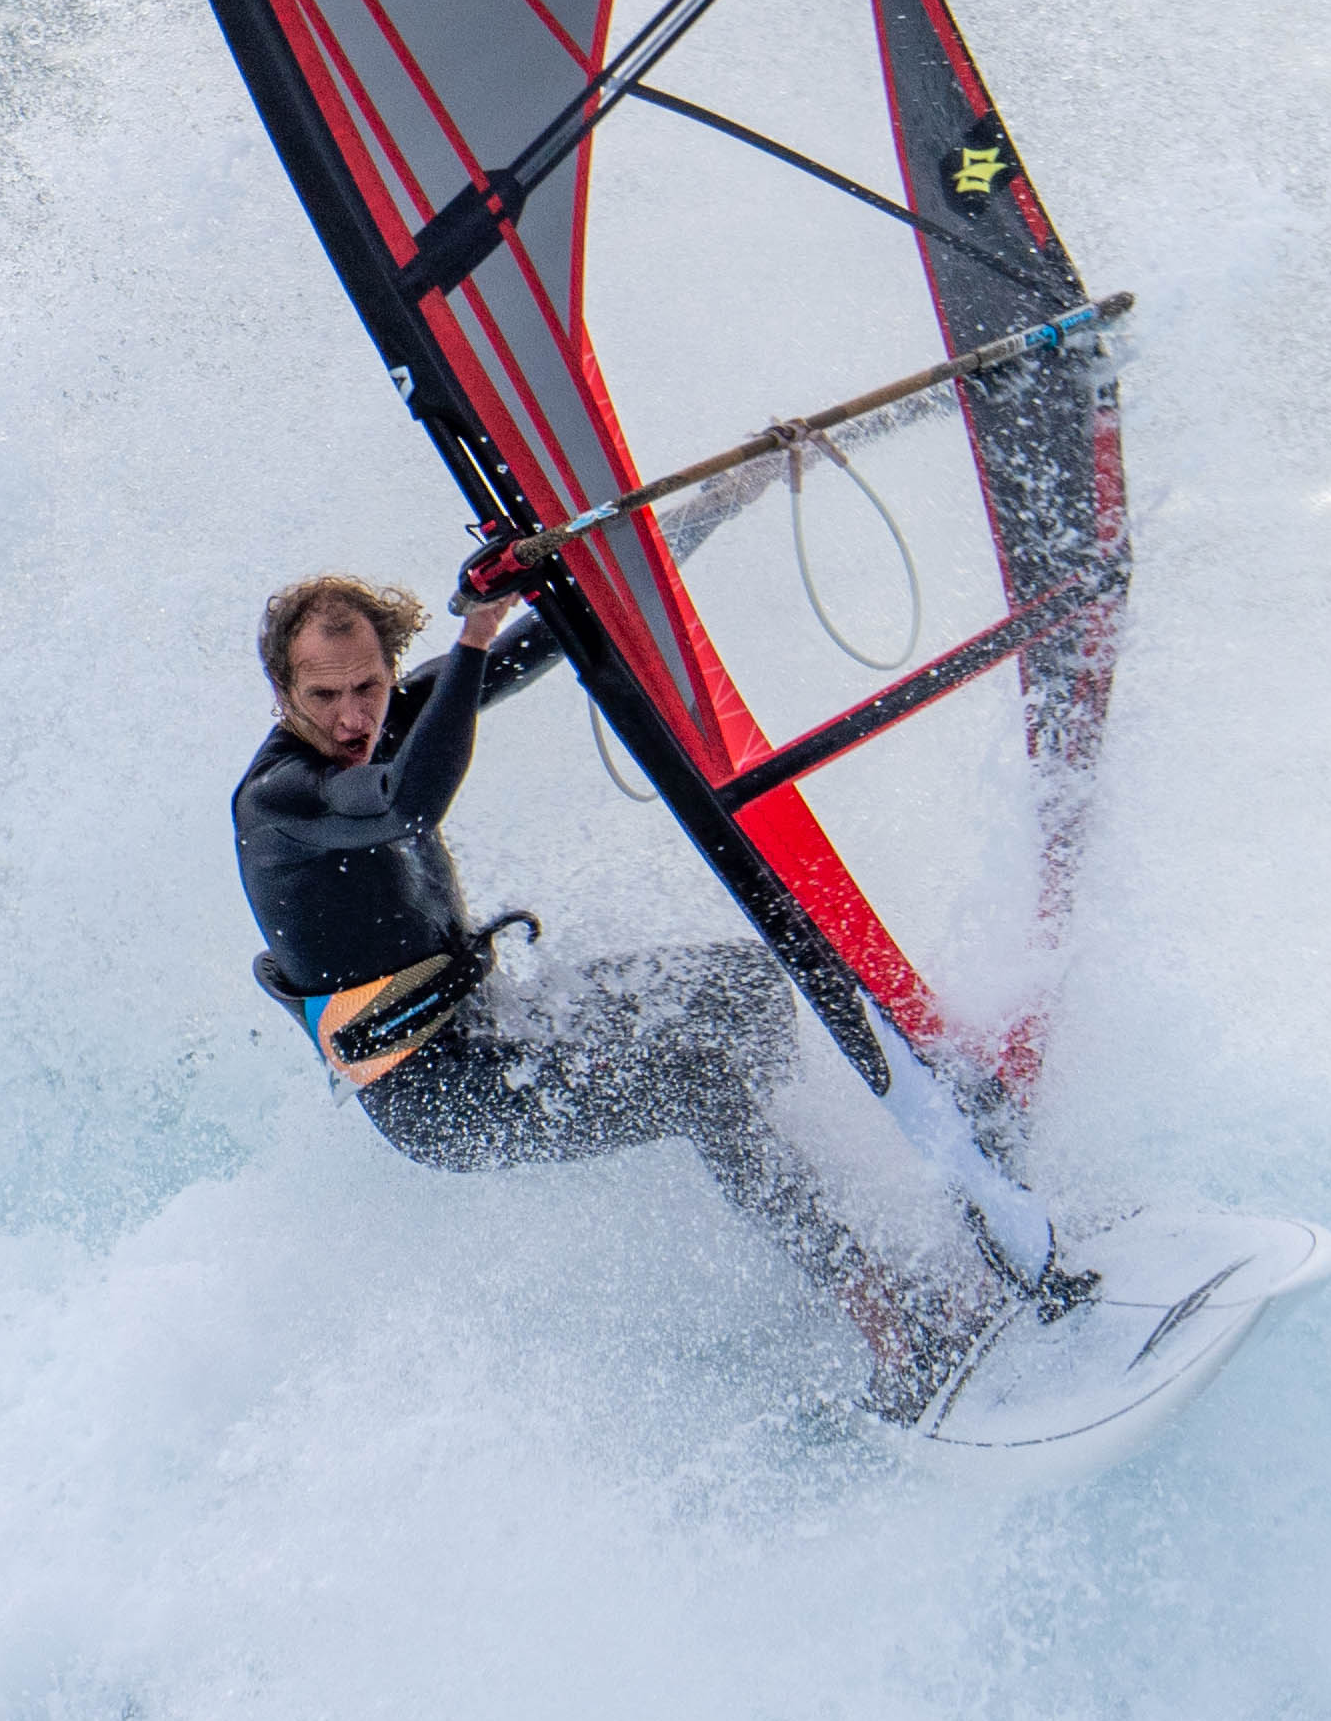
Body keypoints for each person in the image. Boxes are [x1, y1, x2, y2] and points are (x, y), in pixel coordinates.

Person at [229, 568, 980, 1400]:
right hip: (434, 1095)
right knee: (701, 1085)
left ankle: (803, 1211)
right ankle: (887, 1322)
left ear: (391, 665)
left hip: (499, 1021)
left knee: (749, 988)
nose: (351, 718)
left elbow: (560, 629)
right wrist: (474, 633)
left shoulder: (393, 717)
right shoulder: (282, 797)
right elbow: (408, 806)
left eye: (369, 686)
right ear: (282, 690)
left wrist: (659, 528)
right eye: (324, 694)